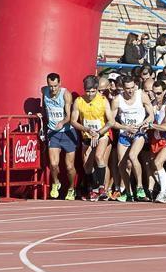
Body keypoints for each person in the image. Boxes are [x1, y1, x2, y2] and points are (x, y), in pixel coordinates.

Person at [110, 75, 154, 202]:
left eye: (132, 88)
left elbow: (151, 116)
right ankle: (128, 191)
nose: (130, 91)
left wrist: (141, 125)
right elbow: (112, 122)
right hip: (125, 133)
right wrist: (126, 127)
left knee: (133, 156)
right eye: (127, 88)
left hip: (139, 133)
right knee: (121, 164)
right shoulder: (117, 100)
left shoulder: (142, 96)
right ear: (122, 88)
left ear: (135, 86)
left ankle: (140, 187)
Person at [70, 75, 114, 202]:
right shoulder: (79, 101)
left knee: (99, 157)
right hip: (87, 135)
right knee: (87, 165)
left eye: (93, 91)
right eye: (87, 91)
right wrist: (87, 130)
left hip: (101, 134)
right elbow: (73, 121)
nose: (90, 94)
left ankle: (101, 187)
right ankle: (94, 188)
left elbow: (111, 121)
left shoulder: (103, 100)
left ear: (96, 89)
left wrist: (98, 133)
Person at [42, 73, 78, 201]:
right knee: (53, 164)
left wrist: (61, 123)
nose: (53, 89)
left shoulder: (65, 94)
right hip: (53, 132)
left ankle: (71, 188)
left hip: (67, 132)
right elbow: (44, 108)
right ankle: (56, 182)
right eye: (50, 86)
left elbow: (69, 116)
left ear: (60, 83)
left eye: (55, 86)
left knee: (69, 167)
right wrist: (41, 116)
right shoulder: (44, 91)